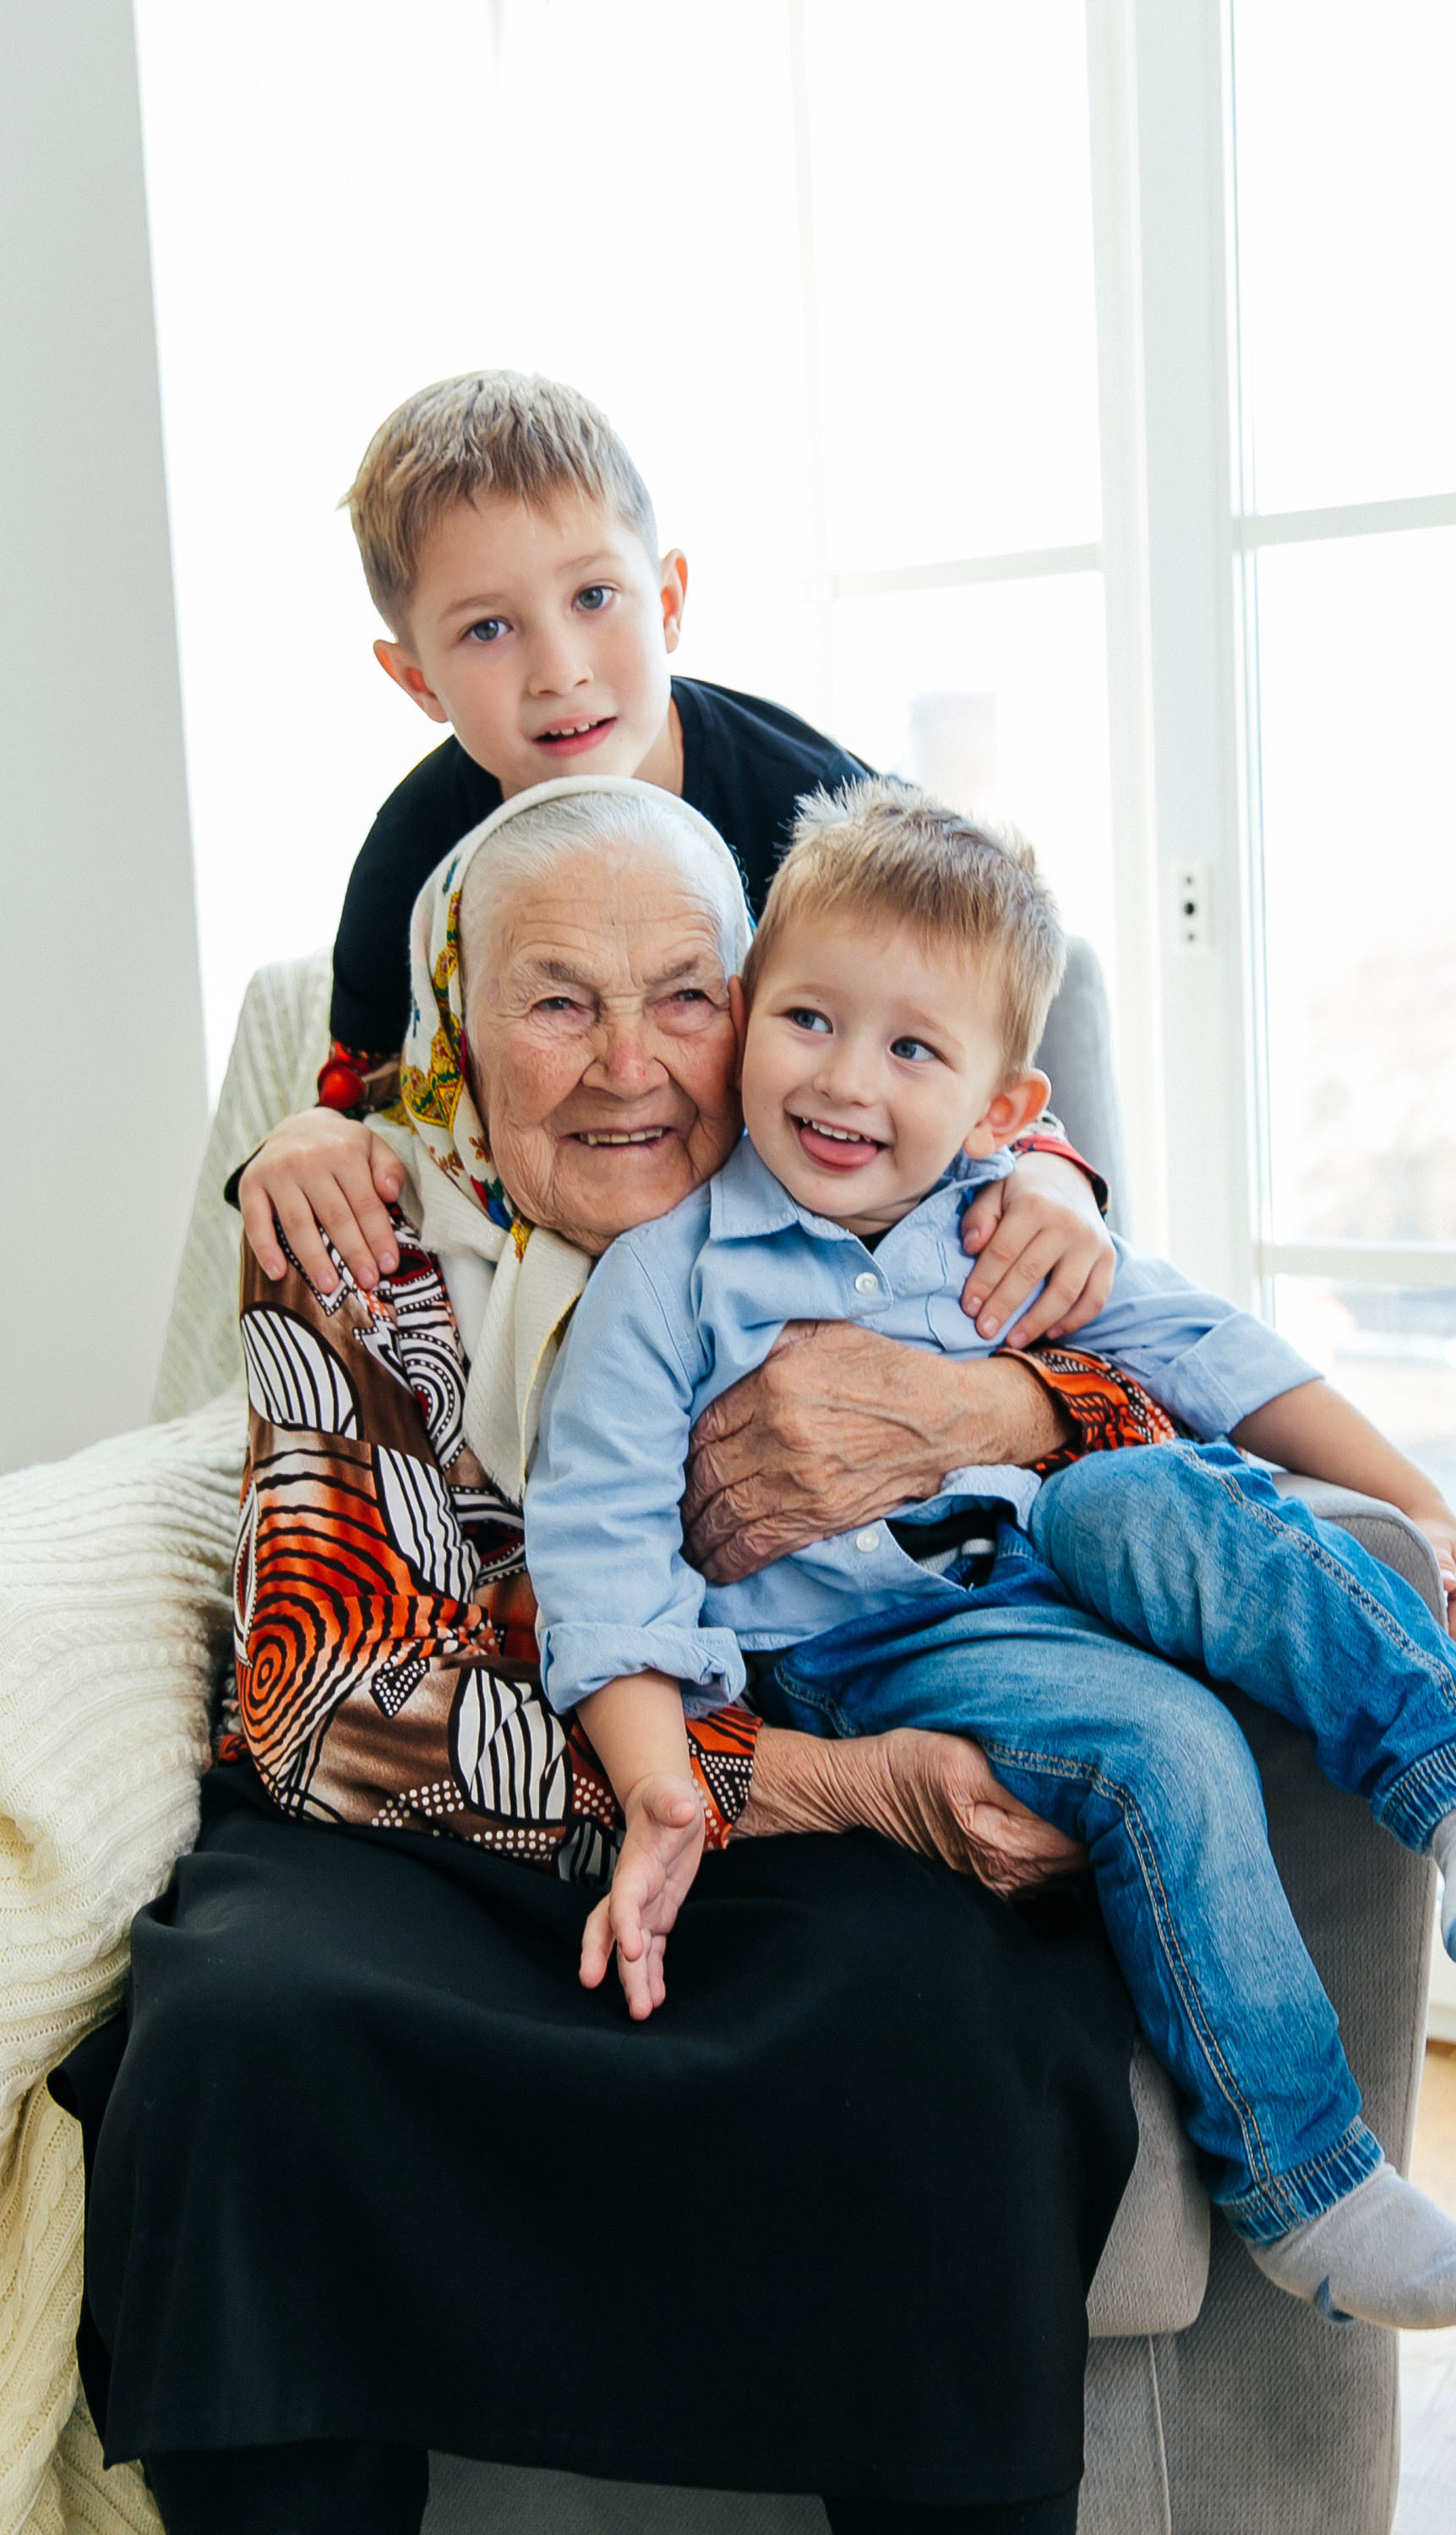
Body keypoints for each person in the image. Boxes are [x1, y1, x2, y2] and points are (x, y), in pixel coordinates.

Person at [56, 777, 1183, 2535]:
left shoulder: (910, 1215)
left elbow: (1169, 1444)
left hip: (802, 1859)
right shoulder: (358, 1244)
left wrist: (994, 1396)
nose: (627, 1063)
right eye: (555, 998)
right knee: (240, 2040)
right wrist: (812, 1780)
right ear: (457, 1030)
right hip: (440, 1844)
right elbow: (337, 1713)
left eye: (684, 994)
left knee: (952, 2026)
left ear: (758, 1016)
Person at [526, 776, 1456, 2336]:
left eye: (912, 1048)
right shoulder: (668, 1277)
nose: (843, 1080)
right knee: (1165, 1745)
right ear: (752, 1013)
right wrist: (664, 1789)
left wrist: (1418, 1497)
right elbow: (601, 1554)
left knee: (1138, 1493)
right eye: (811, 1019)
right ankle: (1318, 2192)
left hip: (1064, 1574)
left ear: (998, 1107)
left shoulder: (1008, 1226)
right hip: (870, 1653)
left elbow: (1213, 1352)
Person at [241, 369, 1113, 1360]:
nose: (558, 666)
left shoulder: (809, 806)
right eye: (487, 628)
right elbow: (367, 1086)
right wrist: (310, 1131)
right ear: (415, 681)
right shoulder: (408, 854)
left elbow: (969, 998)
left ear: (667, 604)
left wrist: (1048, 1167)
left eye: (593, 597)